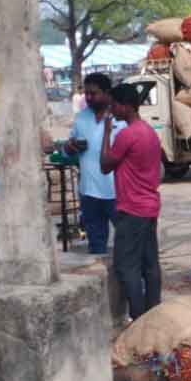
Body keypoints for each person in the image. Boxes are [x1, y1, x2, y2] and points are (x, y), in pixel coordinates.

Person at [100, 81, 162, 320]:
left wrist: (106, 133)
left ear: (125, 106)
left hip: (132, 209)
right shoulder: (149, 132)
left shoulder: (127, 135)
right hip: (149, 207)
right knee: (150, 263)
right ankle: (154, 312)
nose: (112, 109)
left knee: (127, 266)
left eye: (114, 105)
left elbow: (105, 165)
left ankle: (138, 316)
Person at [67, 73, 126, 255]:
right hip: (89, 193)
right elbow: (69, 149)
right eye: (87, 94)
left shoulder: (121, 119)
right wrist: (69, 148)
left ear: (107, 93)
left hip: (117, 193)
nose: (89, 98)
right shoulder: (81, 118)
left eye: (94, 93)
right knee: (96, 247)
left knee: (127, 243)